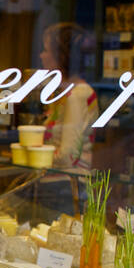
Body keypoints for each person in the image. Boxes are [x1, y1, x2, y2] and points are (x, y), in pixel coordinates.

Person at [40, 22, 99, 169]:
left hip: (65, 185)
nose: (41, 55)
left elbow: (67, 157)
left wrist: (33, 156)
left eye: (46, 50)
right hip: (58, 184)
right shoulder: (66, 93)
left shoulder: (77, 95)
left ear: (61, 55)